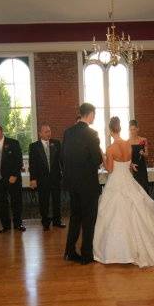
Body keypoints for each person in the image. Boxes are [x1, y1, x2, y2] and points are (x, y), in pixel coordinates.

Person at [94, 117, 154, 267]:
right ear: (120, 129)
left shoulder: (111, 148)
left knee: (113, 213)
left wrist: (103, 157)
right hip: (128, 180)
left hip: (116, 181)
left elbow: (109, 169)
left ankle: (118, 252)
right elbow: (128, 164)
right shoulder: (128, 145)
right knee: (136, 210)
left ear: (110, 131)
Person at [62, 103, 103, 264]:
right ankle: (86, 255)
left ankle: (69, 251)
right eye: (94, 114)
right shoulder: (92, 133)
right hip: (88, 184)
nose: (94, 117)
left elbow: (62, 158)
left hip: (72, 183)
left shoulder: (68, 132)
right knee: (88, 219)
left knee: (75, 218)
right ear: (90, 114)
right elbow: (97, 160)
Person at [0, 124, 24, 233]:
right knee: (1, 204)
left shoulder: (13, 143)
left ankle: (18, 224)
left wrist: (15, 175)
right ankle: (5, 226)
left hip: (12, 179)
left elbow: (19, 161)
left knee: (16, 202)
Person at [29, 123, 65, 231]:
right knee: (43, 201)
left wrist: (65, 173)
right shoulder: (34, 146)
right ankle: (45, 222)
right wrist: (33, 179)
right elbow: (32, 164)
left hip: (55, 178)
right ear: (40, 133)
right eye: (46, 131)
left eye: (49, 131)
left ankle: (57, 221)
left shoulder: (56, 143)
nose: (48, 133)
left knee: (56, 201)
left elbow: (61, 160)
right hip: (41, 179)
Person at [127, 119, 149, 193]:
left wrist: (143, 153)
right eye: (131, 129)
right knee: (134, 190)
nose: (132, 131)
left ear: (137, 129)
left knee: (143, 187)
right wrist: (131, 165)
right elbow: (127, 158)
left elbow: (147, 155)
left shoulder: (144, 140)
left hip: (142, 166)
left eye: (134, 129)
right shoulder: (127, 142)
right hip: (132, 167)